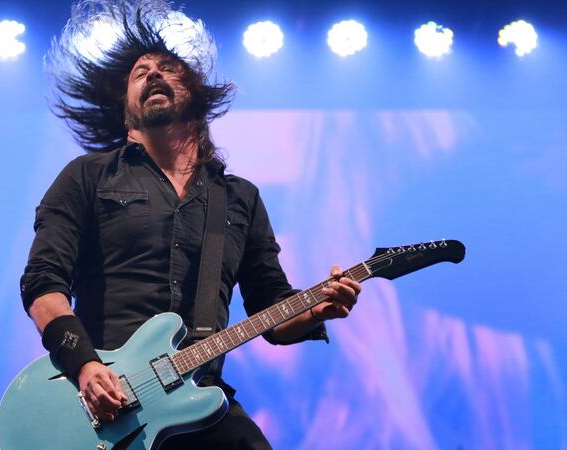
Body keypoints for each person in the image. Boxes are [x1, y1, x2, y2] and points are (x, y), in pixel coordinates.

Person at [20, 2, 361, 448]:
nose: (153, 74)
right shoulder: (88, 176)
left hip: (199, 398)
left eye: (168, 67)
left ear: (197, 94)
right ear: (126, 111)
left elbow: (271, 310)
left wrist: (317, 309)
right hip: (100, 399)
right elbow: (43, 282)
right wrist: (85, 364)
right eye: (139, 72)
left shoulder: (239, 197)